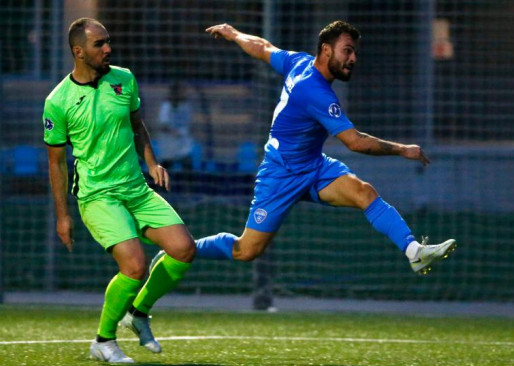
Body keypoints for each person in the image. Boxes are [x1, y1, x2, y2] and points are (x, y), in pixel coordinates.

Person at [189, 20, 456, 275]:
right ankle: (185, 248)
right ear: (326, 50)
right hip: (280, 173)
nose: (353, 59)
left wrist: (234, 34)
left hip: (314, 166)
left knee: (364, 193)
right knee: (246, 250)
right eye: (347, 51)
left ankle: (414, 252)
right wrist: (402, 149)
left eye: (355, 52)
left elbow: (263, 47)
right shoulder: (316, 92)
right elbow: (355, 141)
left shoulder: (298, 62)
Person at [43, 18, 196, 363]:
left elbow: (136, 124)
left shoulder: (123, 79)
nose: (108, 48)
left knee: (184, 249)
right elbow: (56, 163)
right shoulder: (58, 101)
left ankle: (138, 313)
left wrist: (153, 162)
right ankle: (103, 341)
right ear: (78, 52)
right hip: (97, 196)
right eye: (100, 44)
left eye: (108, 41)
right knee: (134, 266)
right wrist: (62, 216)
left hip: (135, 187)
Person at [154, 80, 195, 169]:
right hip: (170, 144)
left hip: (183, 144)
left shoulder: (186, 106)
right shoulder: (167, 106)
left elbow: (189, 124)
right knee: (166, 166)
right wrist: (174, 131)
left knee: (187, 166)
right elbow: (163, 125)